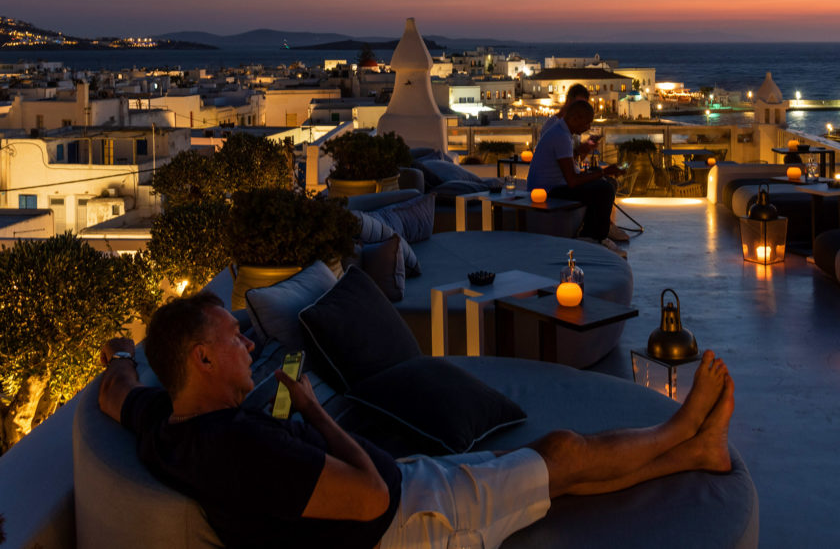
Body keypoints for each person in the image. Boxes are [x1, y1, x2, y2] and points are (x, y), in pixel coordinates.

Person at [99, 293, 734, 549]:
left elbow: (116, 392)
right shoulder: (234, 446)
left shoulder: (164, 421)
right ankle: (679, 431)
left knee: (550, 470)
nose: (247, 346)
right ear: (203, 358)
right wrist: (315, 409)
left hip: (408, 483)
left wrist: (123, 357)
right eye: (236, 338)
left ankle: (691, 455)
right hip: (413, 521)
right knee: (562, 453)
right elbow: (371, 498)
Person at [526, 98, 625, 244]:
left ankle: (590, 233)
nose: (588, 127)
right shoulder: (561, 136)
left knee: (601, 179)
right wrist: (604, 172)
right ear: (575, 118)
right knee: (605, 188)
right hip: (549, 191)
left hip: (554, 186)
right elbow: (572, 181)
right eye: (587, 122)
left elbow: (569, 166)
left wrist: (598, 172)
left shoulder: (562, 132)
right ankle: (595, 238)